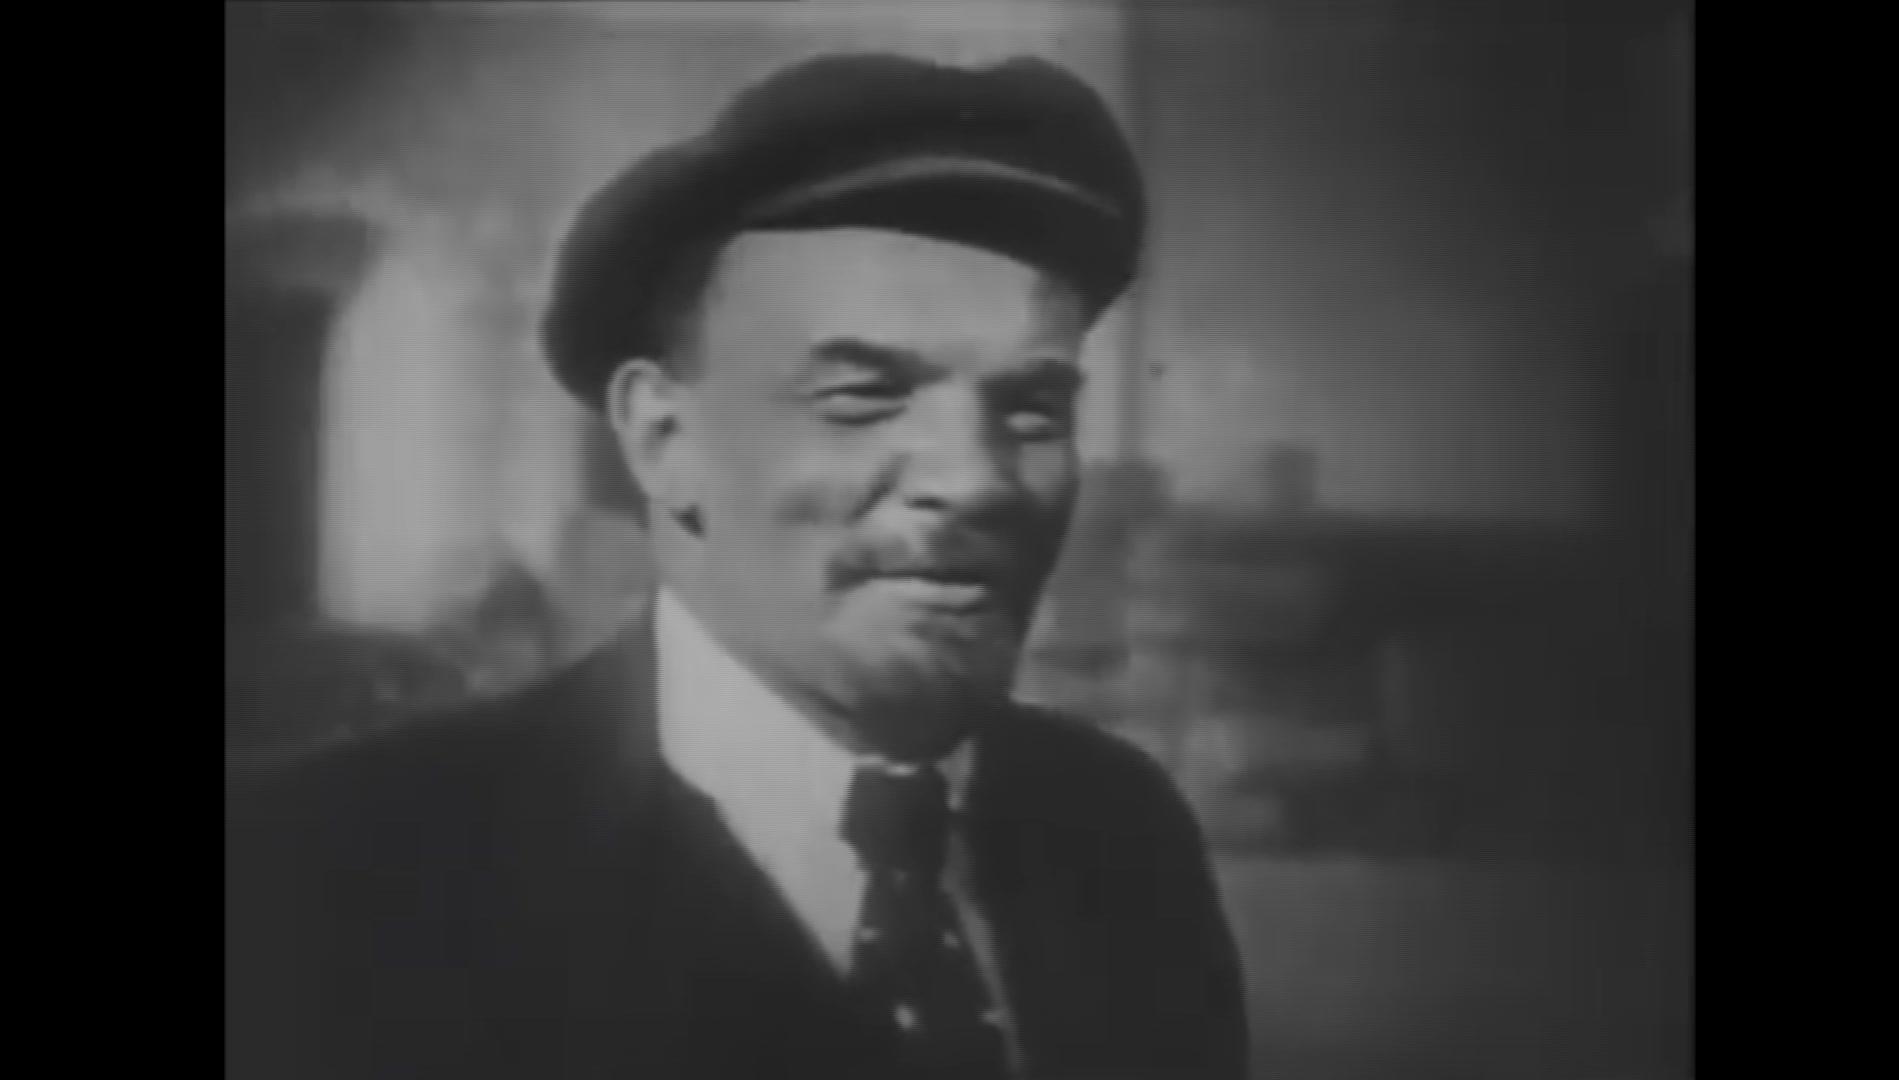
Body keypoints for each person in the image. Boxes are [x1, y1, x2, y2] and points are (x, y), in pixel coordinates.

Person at [227, 52, 1247, 1080]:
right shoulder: (332, 870)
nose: (977, 479)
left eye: (1032, 409)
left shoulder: (1121, 828)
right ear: (661, 438)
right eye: (861, 395)